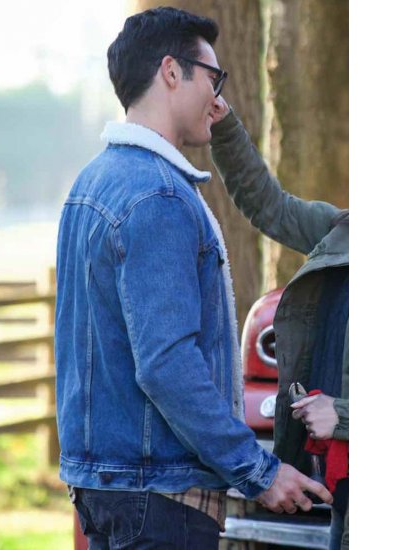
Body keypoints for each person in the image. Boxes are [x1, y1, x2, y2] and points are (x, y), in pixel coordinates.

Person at [54, 7, 332, 549]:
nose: (218, 93)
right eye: (213, 77)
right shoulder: (160, 196)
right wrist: (258, 470)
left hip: (105, 489)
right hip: (160, 500)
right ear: (171, 72)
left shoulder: (89, 185)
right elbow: (167, 365)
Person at [209, 102, 349, 550]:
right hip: (344, 499)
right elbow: (269, 206)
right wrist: (223, 125)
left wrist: (343, 416)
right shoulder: (346, 233)